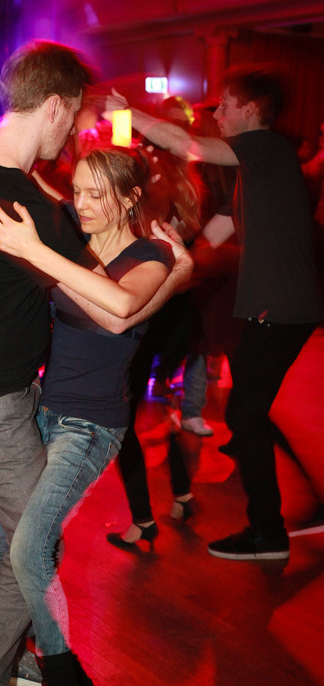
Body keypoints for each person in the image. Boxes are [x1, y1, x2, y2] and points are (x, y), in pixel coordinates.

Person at [0, 41, 192, 686]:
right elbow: (115, 314)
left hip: (17, 396)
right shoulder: (27, 211)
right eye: (75, 114)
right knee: (30, 555)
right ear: (54, 106)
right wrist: (178, 274)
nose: (75, 128)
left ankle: (16, 647)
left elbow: (109, 303)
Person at [106, 64, 323, 560]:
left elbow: (190, 146)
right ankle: (304, 506)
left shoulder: (264, 146)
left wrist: (128, 113)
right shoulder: (258, 168)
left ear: (251, 109)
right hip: (279, 308)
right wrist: (177, 261)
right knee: (251, 410)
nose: (218, 113)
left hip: (280, 308)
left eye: (225, 104)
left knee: (245, 414)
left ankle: (267, 534)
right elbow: (217, 233)